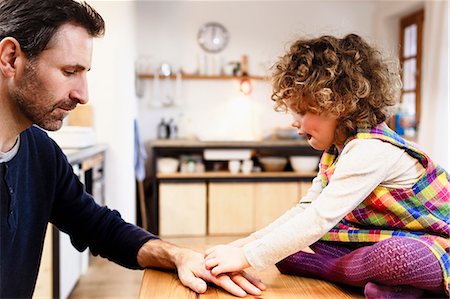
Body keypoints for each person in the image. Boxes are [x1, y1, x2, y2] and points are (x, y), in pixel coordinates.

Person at [0, 0, 266, 298]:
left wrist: (178, 256)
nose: (83, 94)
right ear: (11, 58)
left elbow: (100, 227)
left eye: (85, 72)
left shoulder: (42, 154)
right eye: (69, 71)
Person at [204, 34, 449, 298]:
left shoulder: (371, 148)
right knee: (294, 241)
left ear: (338, 103)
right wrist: (244, 245)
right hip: (383, 236)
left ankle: (328, 268)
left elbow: (318, 219)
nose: (294, 122)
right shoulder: (337, 149)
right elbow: (306, 210)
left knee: (396, 258)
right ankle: (396, 290)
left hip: (434, 244)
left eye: (301, 111)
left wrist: (246, 257)